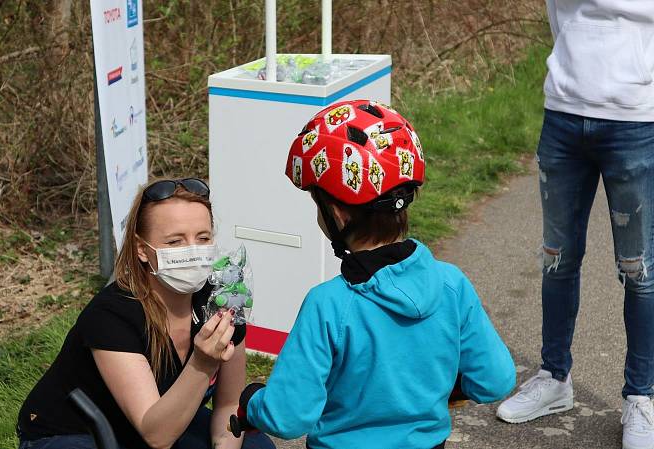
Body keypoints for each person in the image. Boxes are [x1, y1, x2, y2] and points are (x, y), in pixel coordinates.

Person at [230, 100, 516, 448]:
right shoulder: (451, 284)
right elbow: (495, 380)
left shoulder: (328, 304)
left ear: (336, 213)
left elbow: (288, 416)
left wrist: (252, 403)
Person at [496, 3, 654, 448]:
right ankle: (554, 378)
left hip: (637, 120)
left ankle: (641, 397)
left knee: (638, 270)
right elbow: (558, 14)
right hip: (563, 114)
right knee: (556, 258)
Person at [16, 178, 275, 449]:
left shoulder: (220, 300)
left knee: (257, 446)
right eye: (175, 241)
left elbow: (229, 406)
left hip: (161, 417)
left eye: (203, 238)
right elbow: (157, 437)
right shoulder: (112, 314)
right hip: (75, 433)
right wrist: (203, 363)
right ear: (142, 250)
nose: (193, 250)